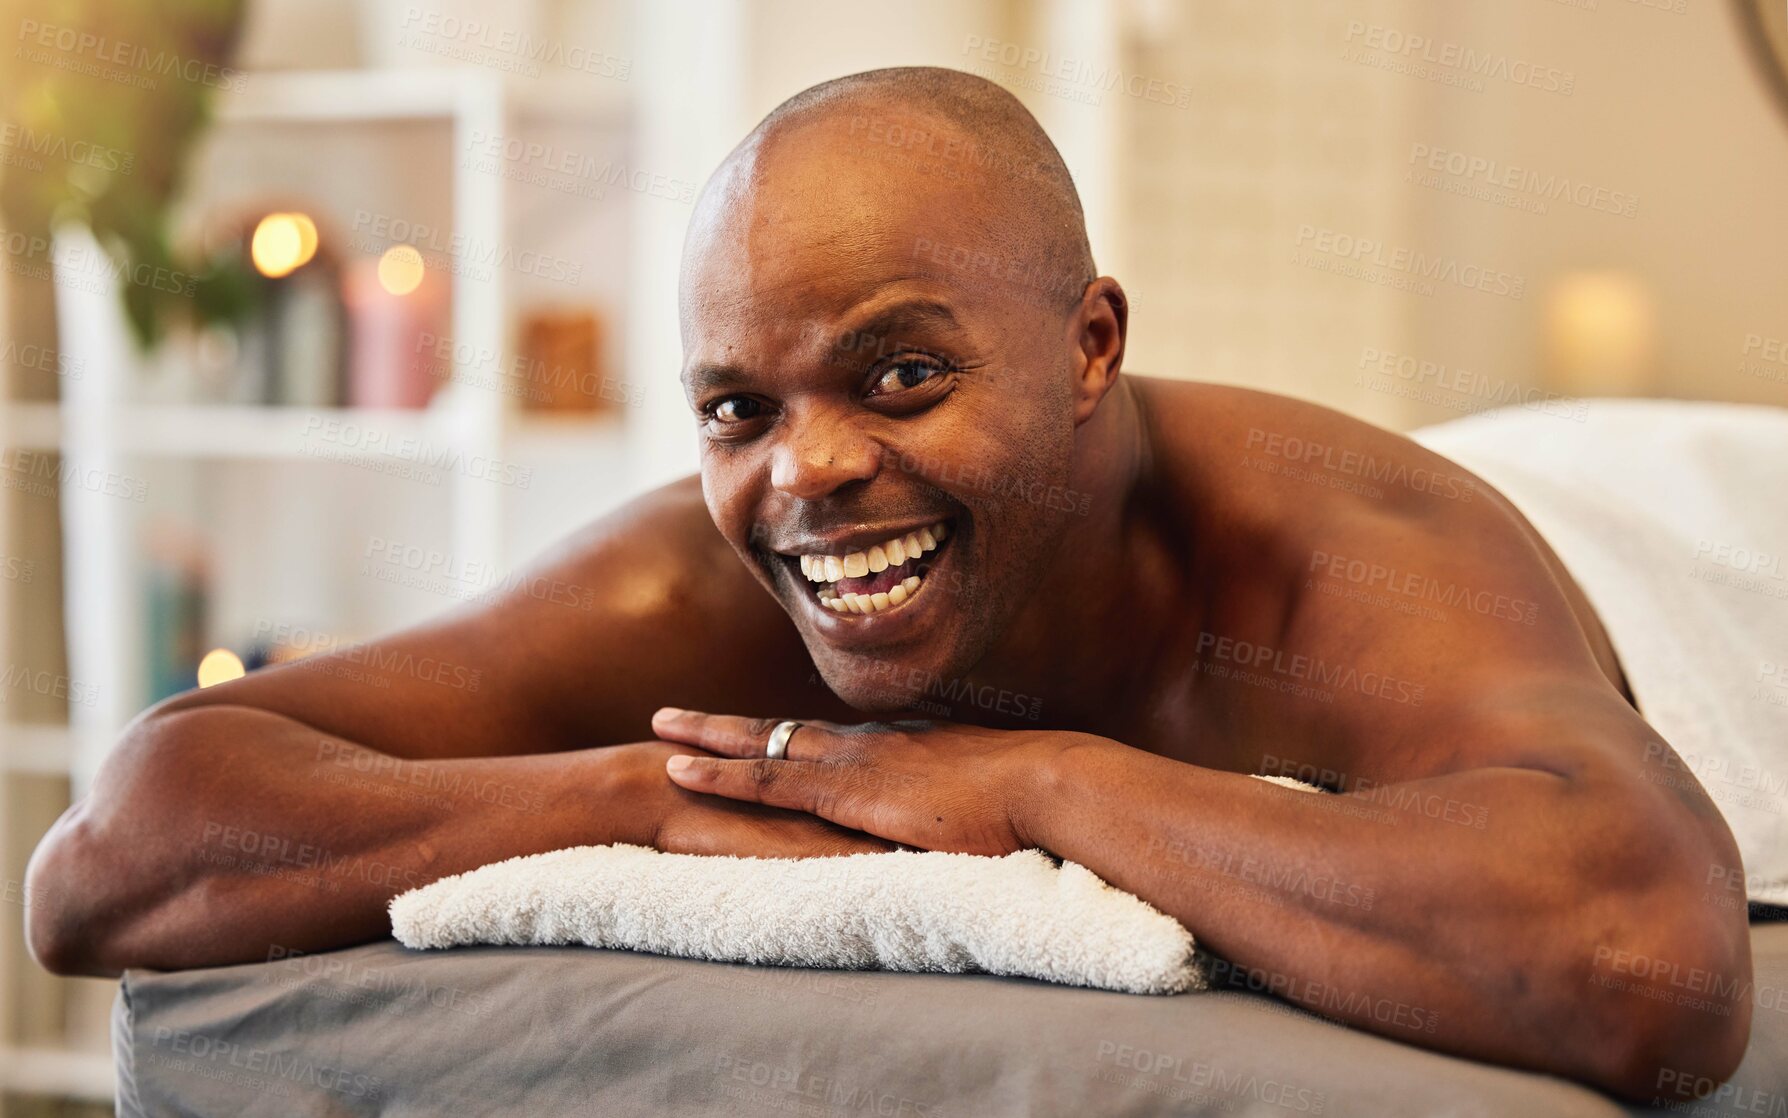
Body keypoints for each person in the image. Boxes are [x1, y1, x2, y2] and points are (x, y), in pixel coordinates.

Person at [25, 67, 1751, 1100]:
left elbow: (1645, 957)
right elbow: (115, 855)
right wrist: (644, 797)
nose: (808, 470)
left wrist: (1041, 779)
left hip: (1700, 531)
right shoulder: (710, 581)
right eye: (736, 407)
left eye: (903, 373)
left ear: (1091, 345)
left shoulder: (1348, 552)